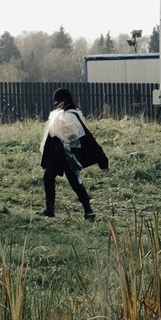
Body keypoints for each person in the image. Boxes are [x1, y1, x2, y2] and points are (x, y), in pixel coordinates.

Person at [38, 87, 106, 220]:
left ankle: (88, 210)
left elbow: (79, 135)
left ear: (64, 100)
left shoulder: (71, 115)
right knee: (49, 178)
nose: (55, 104)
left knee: (74, 182)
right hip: (59, 155)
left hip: (69, 155)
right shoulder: (63, 114)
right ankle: (50, 209)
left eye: (57, 101)